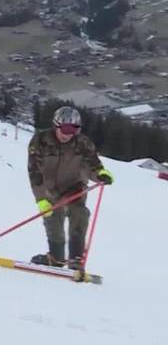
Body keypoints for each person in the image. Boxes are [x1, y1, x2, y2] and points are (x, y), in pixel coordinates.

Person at [27, 106, 113, 269]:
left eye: (74, 129)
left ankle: (76, 258)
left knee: (79, 214)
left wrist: (101, 174)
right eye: (65, 129)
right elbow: (35, 172)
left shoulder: (82, 143)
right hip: (49, 188)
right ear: (56, 125)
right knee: (53, 218)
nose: (68, 134)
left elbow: (93, 165)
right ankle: (56, 257)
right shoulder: (40, 141)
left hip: (74, 186)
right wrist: (41, 199)